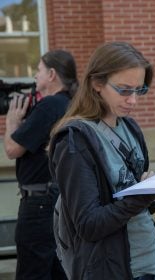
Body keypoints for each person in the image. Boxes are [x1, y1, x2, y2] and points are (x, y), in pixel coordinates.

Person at [47, 41, 155, 280]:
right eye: (124, 90)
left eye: (139, 90)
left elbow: (132, 203)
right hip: (111, 269)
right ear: (96, 83)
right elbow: (89, 225)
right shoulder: (75, 140)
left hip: (147, 261)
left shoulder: (129, 127)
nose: (133, 101)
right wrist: (144, 194)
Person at [4, 50, 78, 279]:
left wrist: (11, 122)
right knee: (56, 270)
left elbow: (12, 149)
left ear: (52, 74)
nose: (35, 76)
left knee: (32, 271)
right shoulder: (68, 104)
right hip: (57, 200)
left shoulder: (49, 106)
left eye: (38, 70)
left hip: (39, 204)